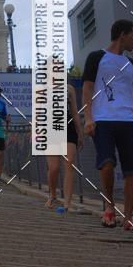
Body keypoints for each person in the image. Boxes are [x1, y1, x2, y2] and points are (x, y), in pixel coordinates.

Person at [82, 19, 133, 230]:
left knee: (132, 171)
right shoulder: (97, 57)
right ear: (122, 35)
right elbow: (87, 88)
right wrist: (88, 117)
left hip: (128, 121)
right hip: (103, 119)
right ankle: (109, 206)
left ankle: (128, 217)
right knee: (106, 163)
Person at [45, 82, 84, 212]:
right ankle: (53, 195)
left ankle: (67, 203)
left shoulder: (70, 88)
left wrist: (80, 133)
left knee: (69, 163)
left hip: (68, 127)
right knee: (54, 168)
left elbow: (74, 112)